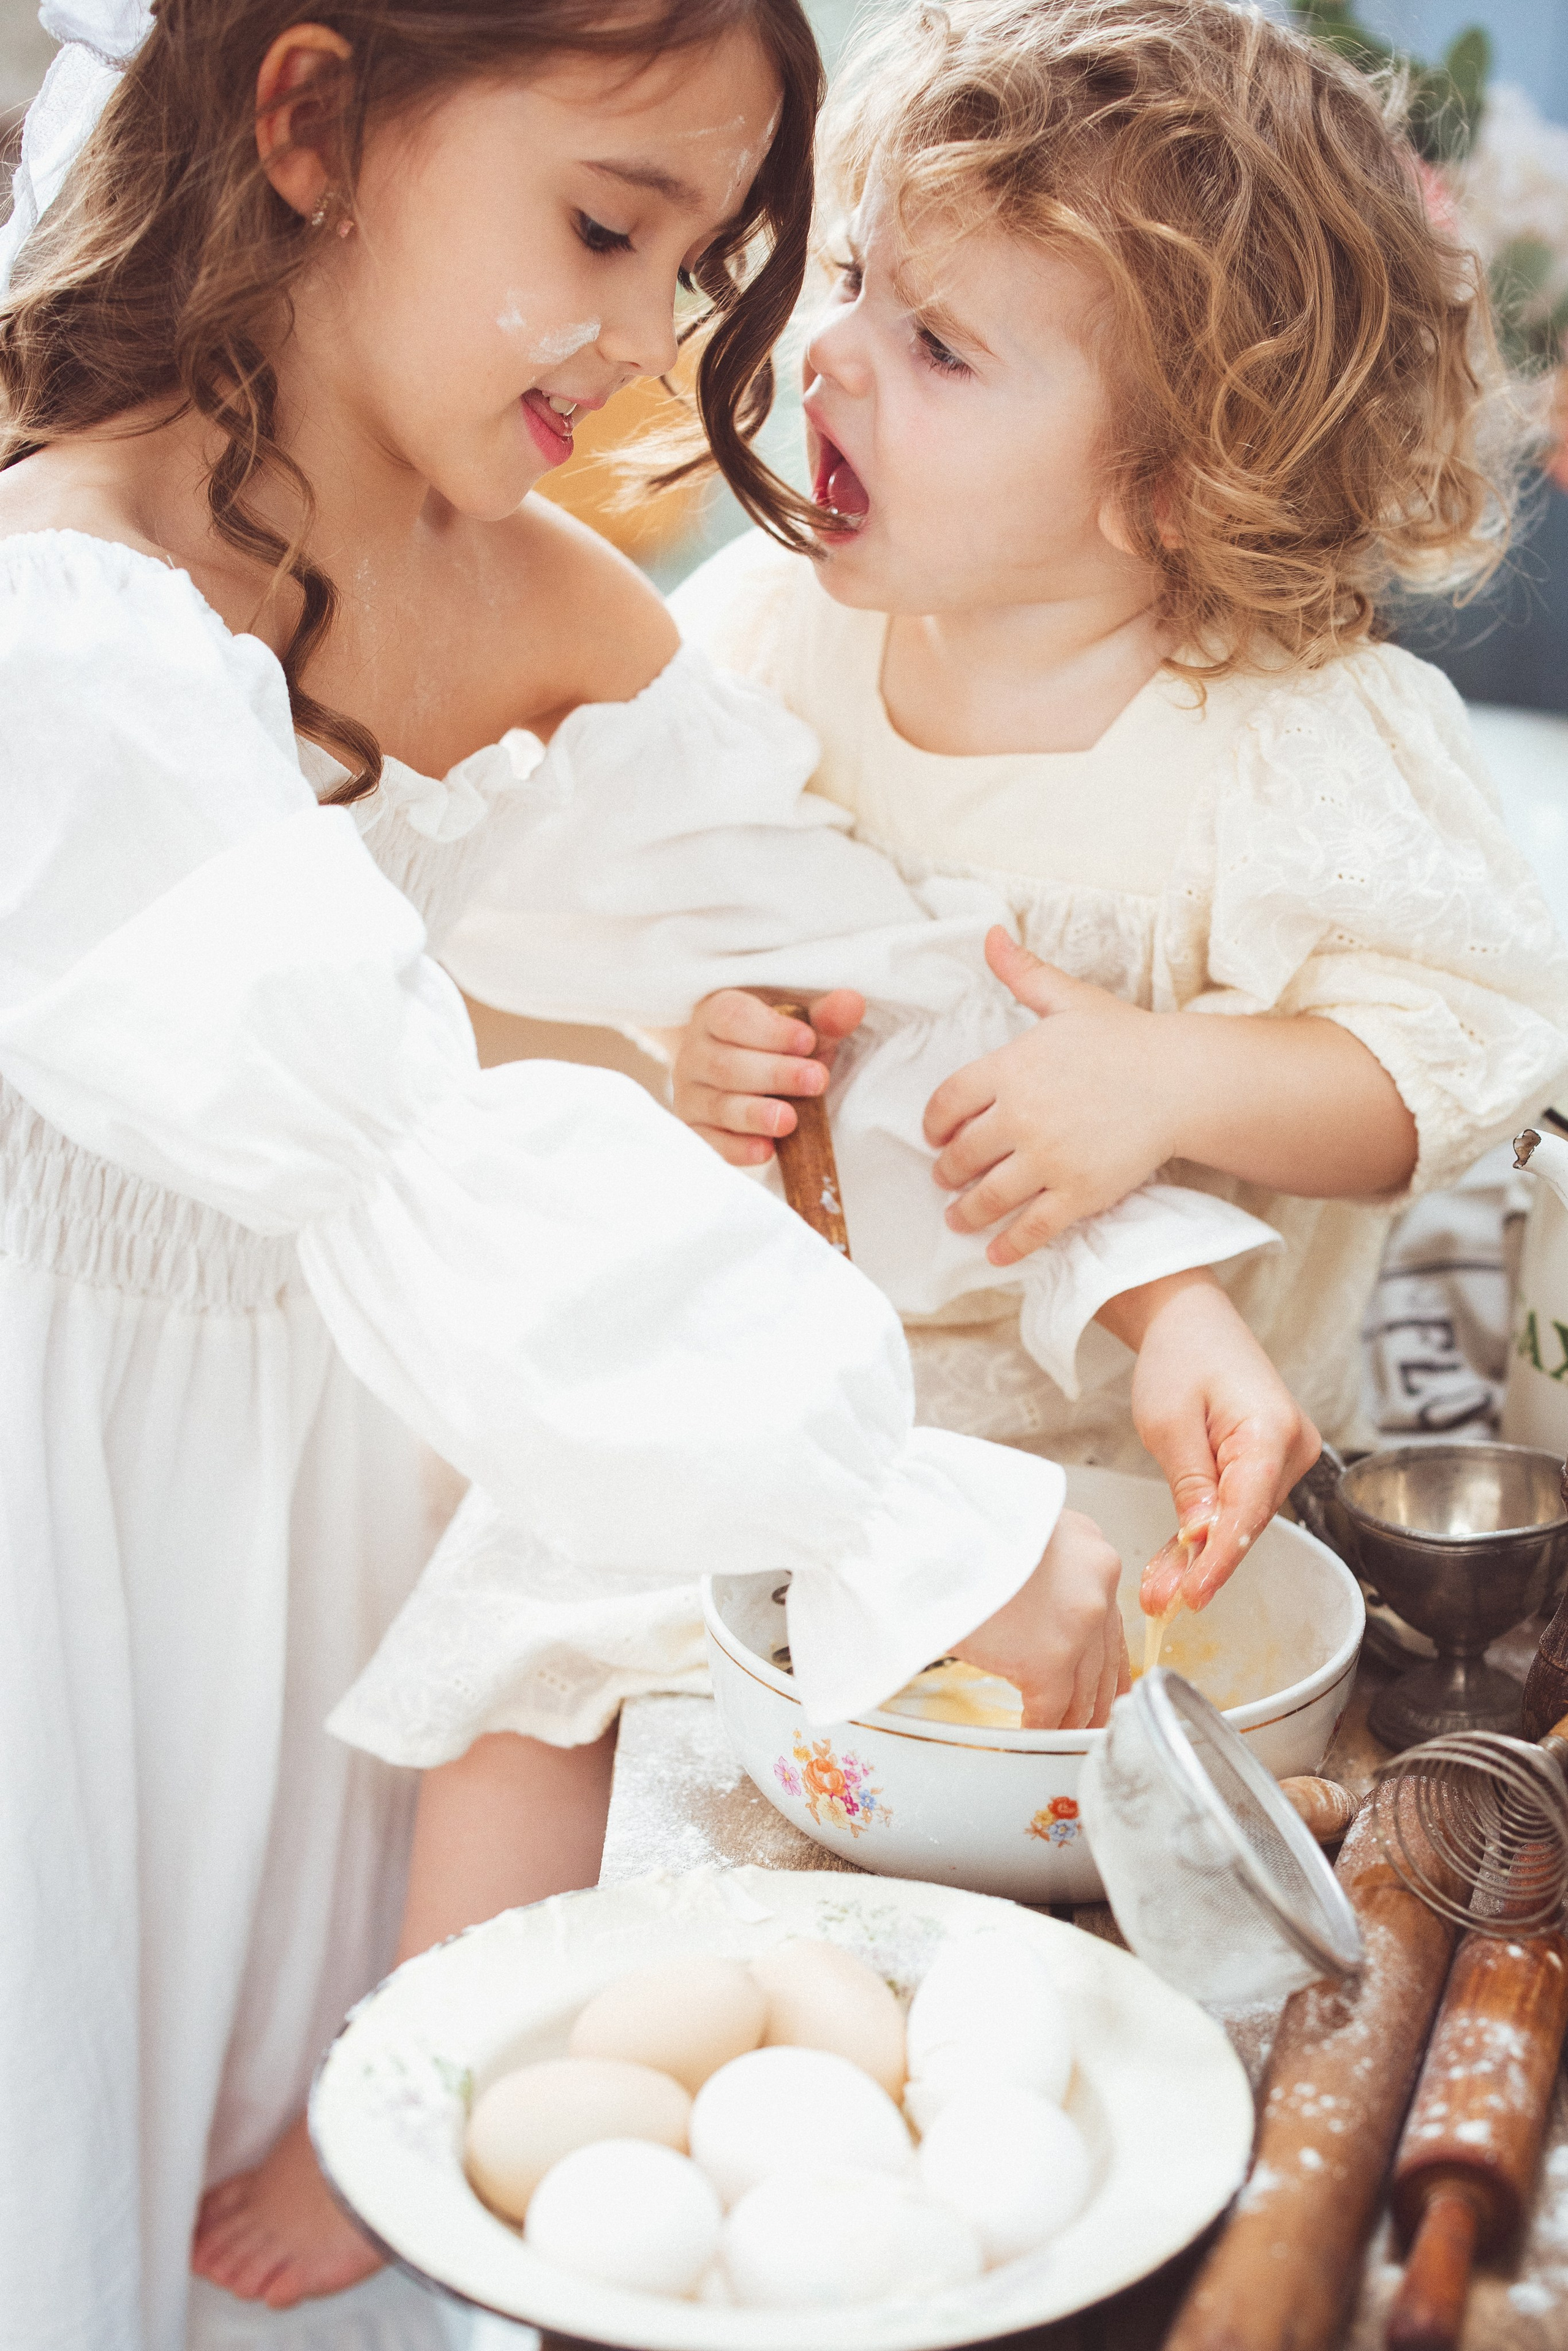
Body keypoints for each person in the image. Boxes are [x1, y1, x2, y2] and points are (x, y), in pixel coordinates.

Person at [0, 0, 1136, 2341]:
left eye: (700, 258)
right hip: (69, 1528)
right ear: (310, 119)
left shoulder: (507, 579)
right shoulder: (60, 625)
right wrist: (896, 1521)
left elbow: (854, 960)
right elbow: (411, 1147)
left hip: (335, 1536)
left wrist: (1163, 1275)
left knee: (334, 2109)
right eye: (605, 226)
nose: (647, 346)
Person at [661, 0, 1568, 1630]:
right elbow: (660, 917)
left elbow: (1456, 1062)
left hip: (1172, 1486)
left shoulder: (1286, 741)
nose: (830, 352)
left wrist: (1171, 1077)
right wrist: (704, 1040)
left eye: (939, 348)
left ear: (1174, 482)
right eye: (857, 280)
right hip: (819, 1445)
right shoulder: (770, 639)